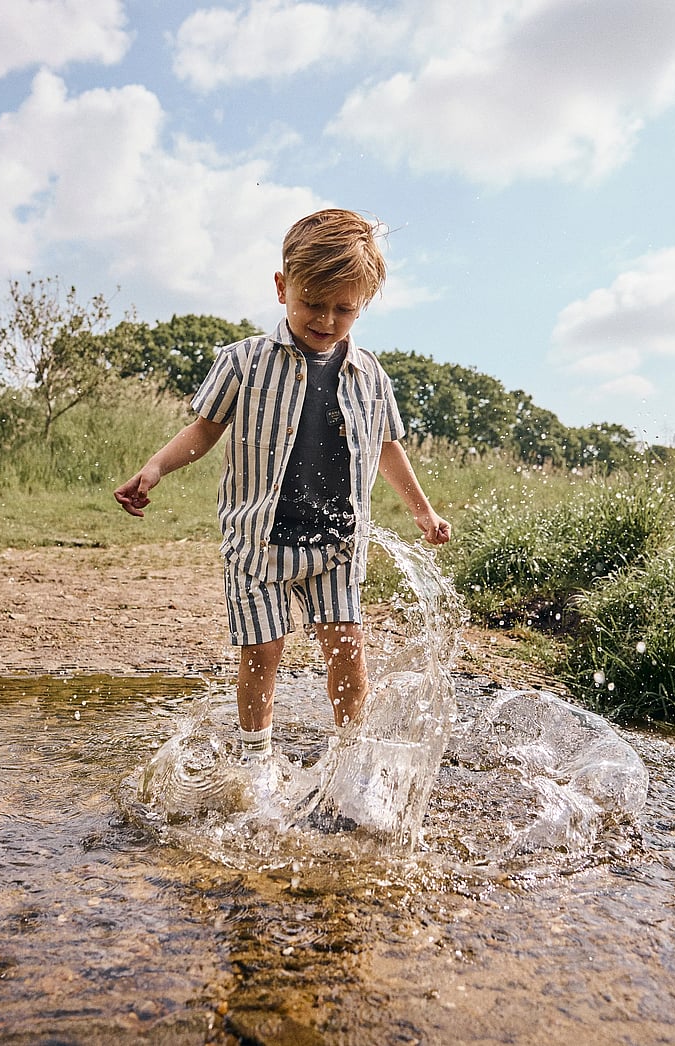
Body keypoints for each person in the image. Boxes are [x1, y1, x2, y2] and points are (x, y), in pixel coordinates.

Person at [114, 209, 450, 765]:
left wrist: (422, 512)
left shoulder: (371, 376)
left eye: (344, 308)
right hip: (258, 543)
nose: (326, 318)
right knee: (263, 649)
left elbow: (389, 447)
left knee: (347, 651)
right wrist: (155, 468)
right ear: (281, 288)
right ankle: (255, 759)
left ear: (362, 303)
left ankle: (349, 758)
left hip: (338, 544)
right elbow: (204, 429)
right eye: (313, 303)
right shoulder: (243, 362)